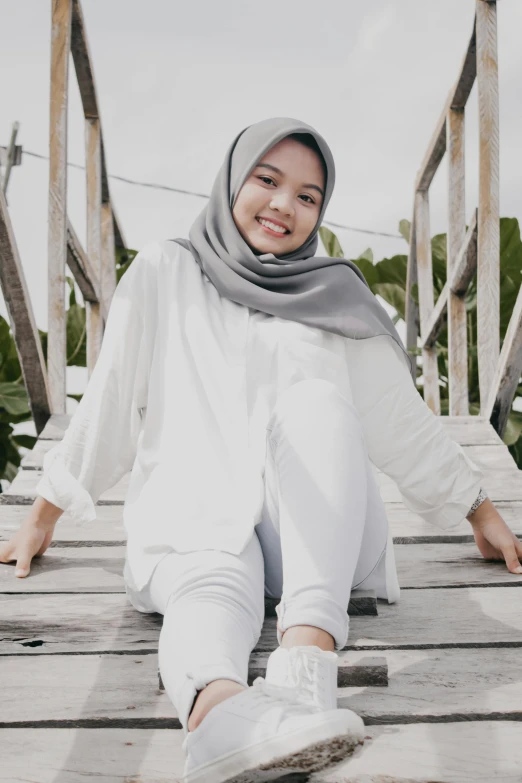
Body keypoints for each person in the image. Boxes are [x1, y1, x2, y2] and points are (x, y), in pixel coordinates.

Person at [2, 117, 521, 783]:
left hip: (319, 538)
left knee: (317, 404)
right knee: (211, 573)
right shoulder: (167, 271)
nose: (285, 205)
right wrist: (41, 517)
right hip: (201, 528)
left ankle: (306, 679)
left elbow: (400, 419)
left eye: (308, 196)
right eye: (268, 180)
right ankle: (220, 719)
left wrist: (478, 510)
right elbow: (105, 404)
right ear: (231, 181)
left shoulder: (334, 294)